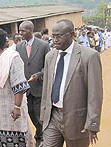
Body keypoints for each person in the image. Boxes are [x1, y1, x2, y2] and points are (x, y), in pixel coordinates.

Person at [40, 19, 103, 147]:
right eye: (53, 36)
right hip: (53, 116)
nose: (55, 40)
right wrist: (44, 113)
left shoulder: (89, 56)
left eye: (59, 36)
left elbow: (95, 93)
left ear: (73, 35)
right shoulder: (50, 57)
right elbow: (46, 87)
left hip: (77, 119)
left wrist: (93, 123)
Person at [16, 20, 50, 147]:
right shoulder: (19, 46)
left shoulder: (43, 45)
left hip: (39, 87)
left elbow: (48, 66)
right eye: (19, 30)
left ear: (31, 30)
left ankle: (41, 137)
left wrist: (39, 75)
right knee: (30, 112)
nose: (20, 33)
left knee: (39, 114)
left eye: (23, 30)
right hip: (26, 88)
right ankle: (40, 134)